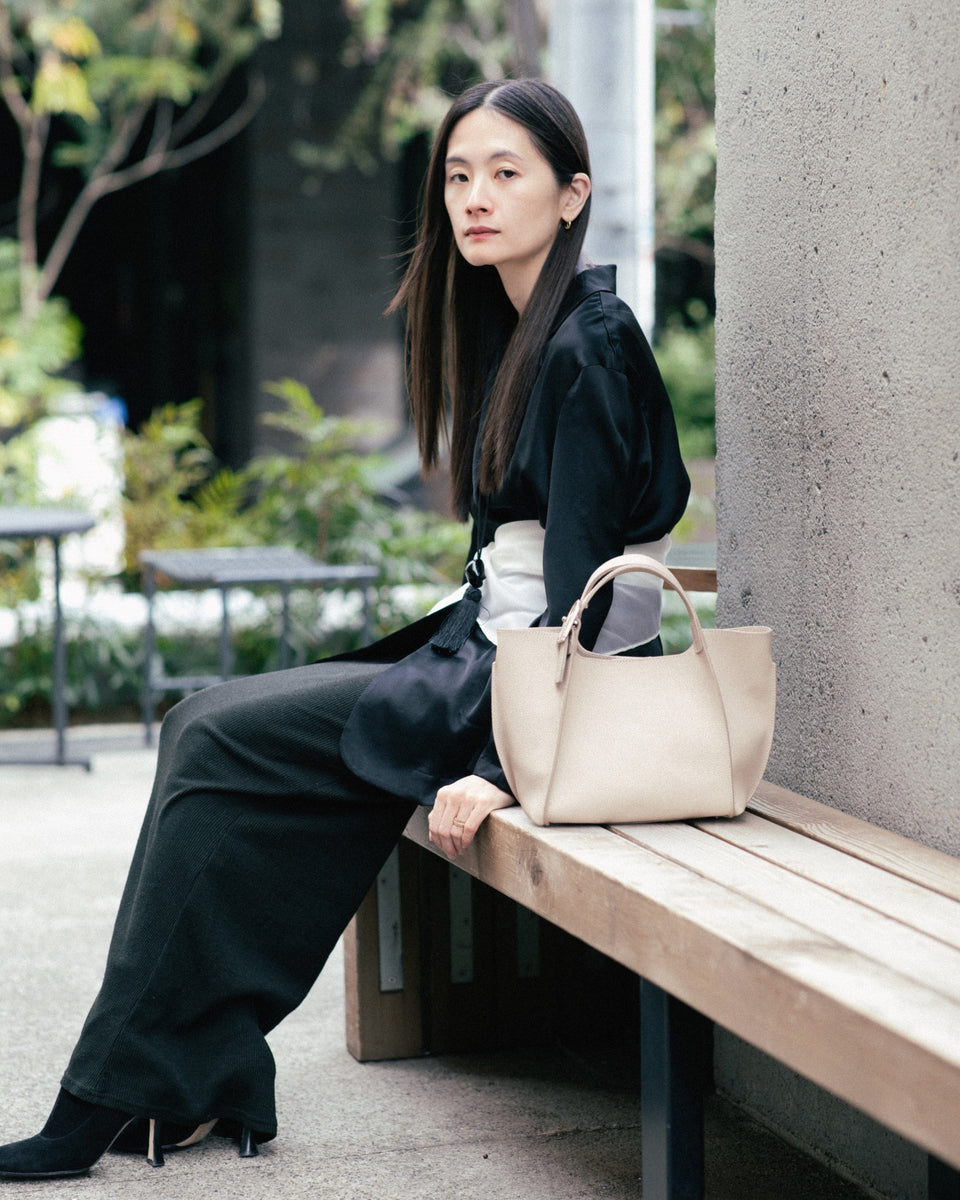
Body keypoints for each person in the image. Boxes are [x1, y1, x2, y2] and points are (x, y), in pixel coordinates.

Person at [0, 77, 690, 1181]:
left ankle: (114, 1099)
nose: (474, 197)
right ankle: (205, 1071)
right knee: (204, 723)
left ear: (573, 197)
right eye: (459, 175)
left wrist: (508, 767)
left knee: (221, 741)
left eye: (507, 174)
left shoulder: (588, 343)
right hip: (486, 652)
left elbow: (606, 596)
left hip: (533, 687)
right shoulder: (521, 328)